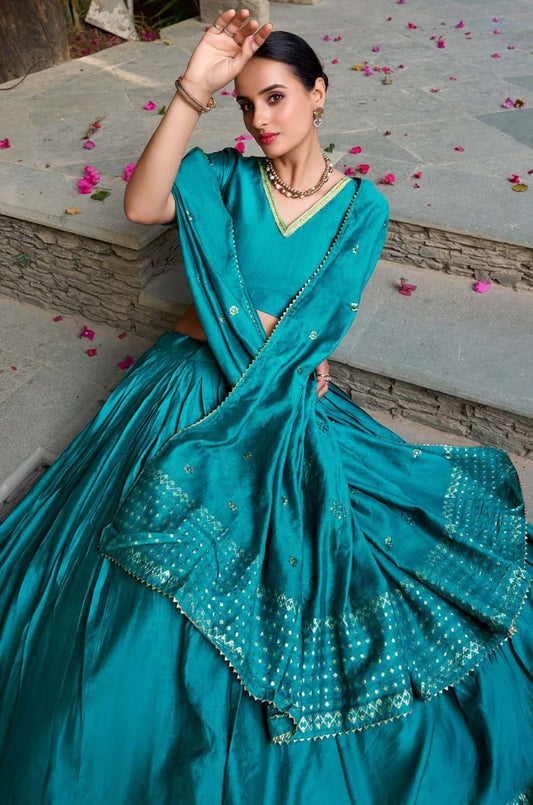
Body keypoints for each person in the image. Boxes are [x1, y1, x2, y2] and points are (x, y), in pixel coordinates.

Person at [0, 7, 532, 803]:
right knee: (121, 586)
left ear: (318, 94)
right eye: (246, 104)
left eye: (276, 97)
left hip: (278, 397)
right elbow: (143, 205)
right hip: (185, 385)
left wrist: (275, 338)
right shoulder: (224, 176)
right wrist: (195, 84)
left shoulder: (361, 208)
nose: (259, 119)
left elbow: (317, 319)